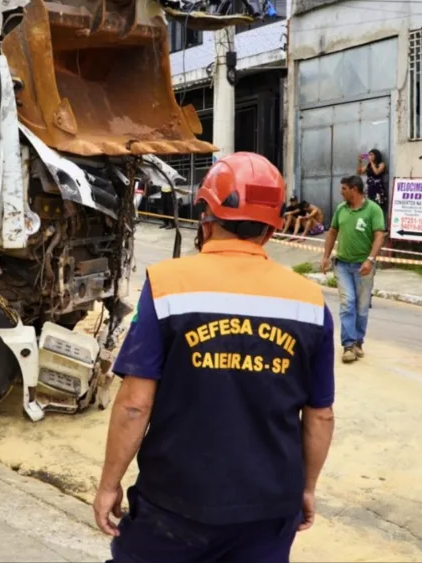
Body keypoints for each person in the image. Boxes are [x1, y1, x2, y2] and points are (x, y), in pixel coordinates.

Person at [94, 152, 336, 563]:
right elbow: (320, 415)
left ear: (206, 214)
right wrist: (306, 488)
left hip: (174, 503)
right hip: (268, 508)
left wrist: (109, 484)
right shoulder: (310, 302)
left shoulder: (168, 286)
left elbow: (135, 403)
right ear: (272, 228)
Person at [320, 175, 385, 364]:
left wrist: (370, 260)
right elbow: (332, 232)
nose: (341, 192)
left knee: (362, 308)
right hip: (342, 265)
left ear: (354, 190)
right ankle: (348, 345)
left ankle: (358, 342)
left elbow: (379, 236)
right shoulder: (341, 209)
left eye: (344, 189)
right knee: (347, 304)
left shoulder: (373, 210)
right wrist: (325, 256)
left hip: (363, 267)